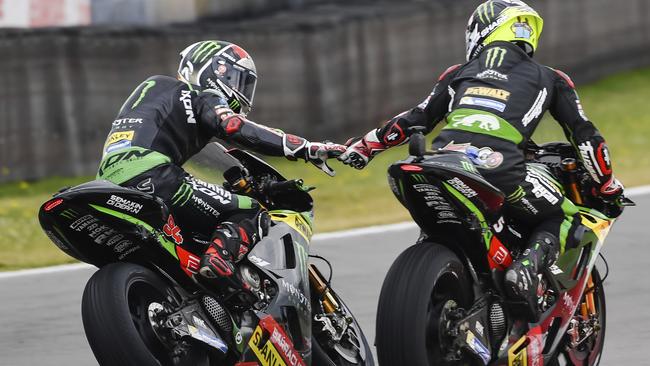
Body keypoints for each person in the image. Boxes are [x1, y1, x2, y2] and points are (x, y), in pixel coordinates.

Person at [338, 0, 623, 320]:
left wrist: (364, 148)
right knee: (566, 217)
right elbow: (586, 138)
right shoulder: (551, 78)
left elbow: (412, 120)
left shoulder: (458, 73)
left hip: (442, 163)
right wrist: (608, 185)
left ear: (481, 32)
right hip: (500, 171)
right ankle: (524, 272)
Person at [97, 40, 345, 291]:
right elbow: (234, 127)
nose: (240, 90)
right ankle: (218, 262)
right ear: (214, 70)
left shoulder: (156, 93)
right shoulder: (200, 94)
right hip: (154, 176)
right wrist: (305, 147)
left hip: (108, 181)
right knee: (251, 211)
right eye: (237, 79)